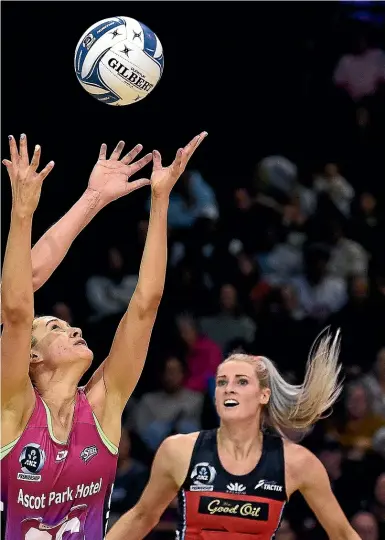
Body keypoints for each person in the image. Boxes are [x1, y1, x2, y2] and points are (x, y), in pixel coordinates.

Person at [1, 131, 207, 539]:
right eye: (55, 327)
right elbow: (18, 310)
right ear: (32, 357)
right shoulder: (12, 407)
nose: (75, 327)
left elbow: (146, 305)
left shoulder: (103, 404)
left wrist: (160, 200)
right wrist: (22, 213)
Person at [107, 330, 360, 540]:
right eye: (221, 382)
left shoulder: (297, 462)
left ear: (263, 395)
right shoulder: (179, 450)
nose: (228, 389)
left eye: (241, 382)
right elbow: (141, 517)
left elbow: (342, 533)